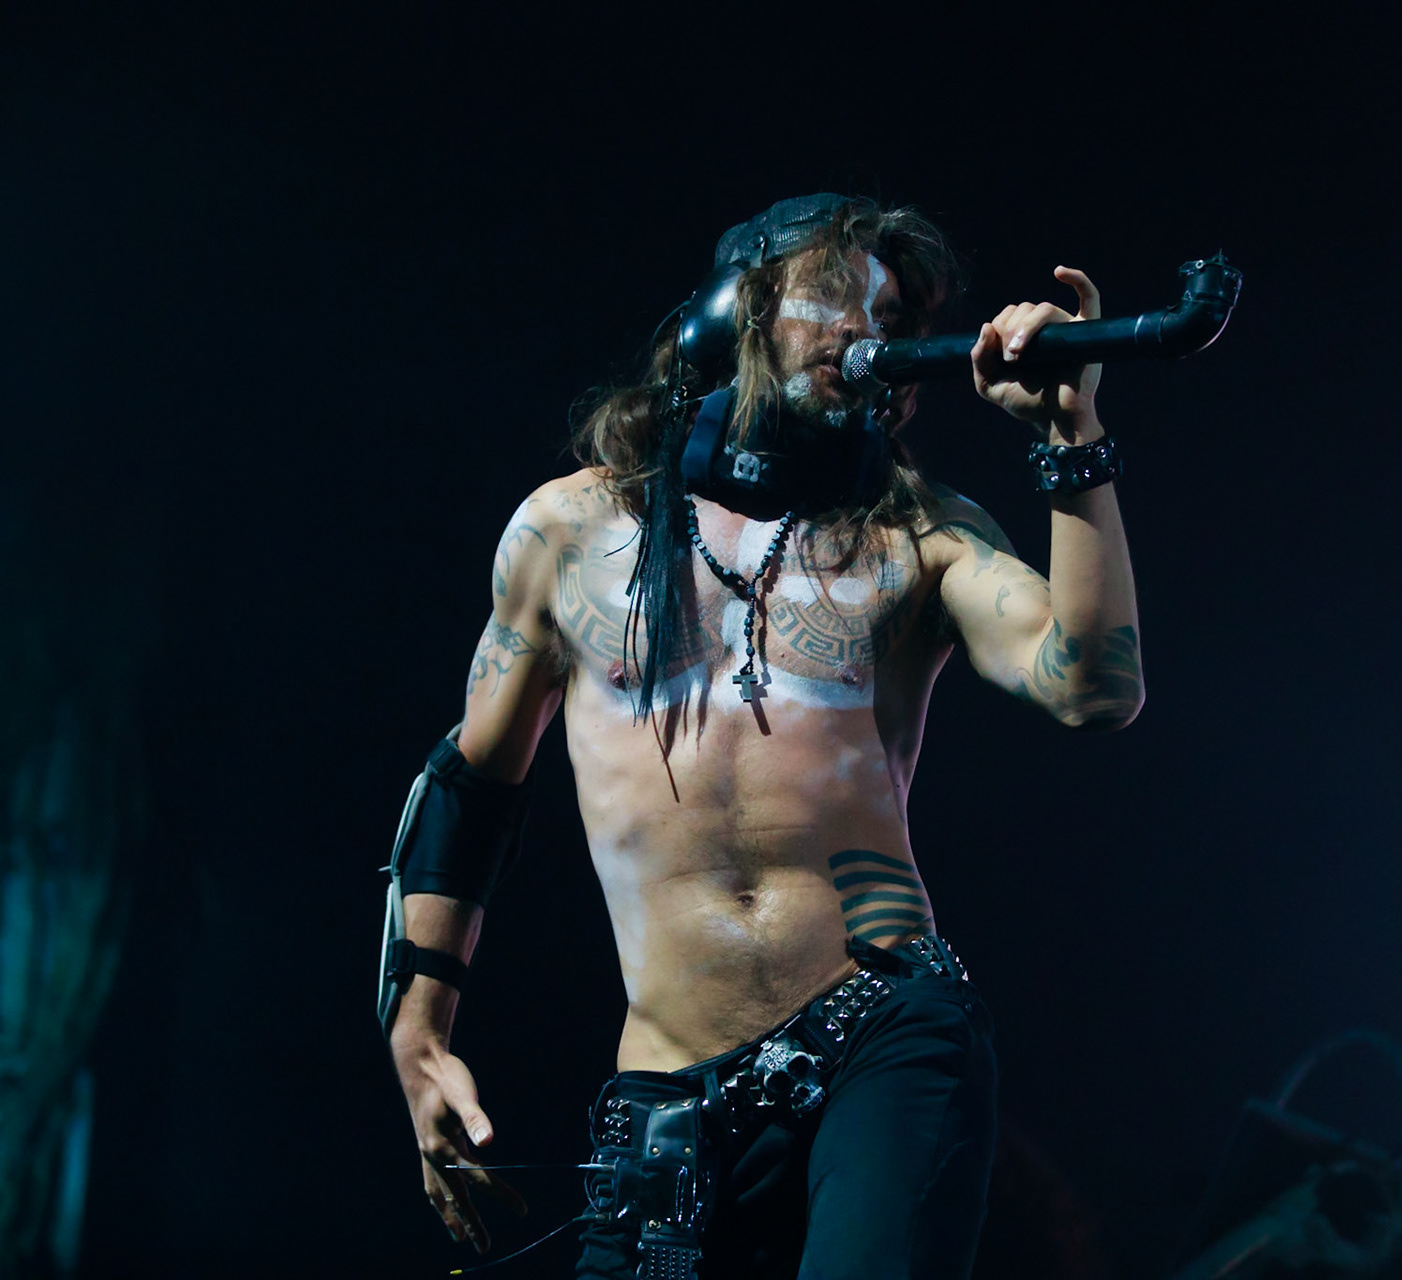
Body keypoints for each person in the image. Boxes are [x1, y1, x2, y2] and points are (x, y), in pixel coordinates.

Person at [380, 194, 1144, 1279]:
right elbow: (470, 787)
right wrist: (419, 1035)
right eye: (835, 293)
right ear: (735, 309)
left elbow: (1093, 686)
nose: (865, 327)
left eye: (886, 309)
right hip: (666, 1090)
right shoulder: (567, 531)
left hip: (880, 1027)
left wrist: (1075, 437)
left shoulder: (917, 534)